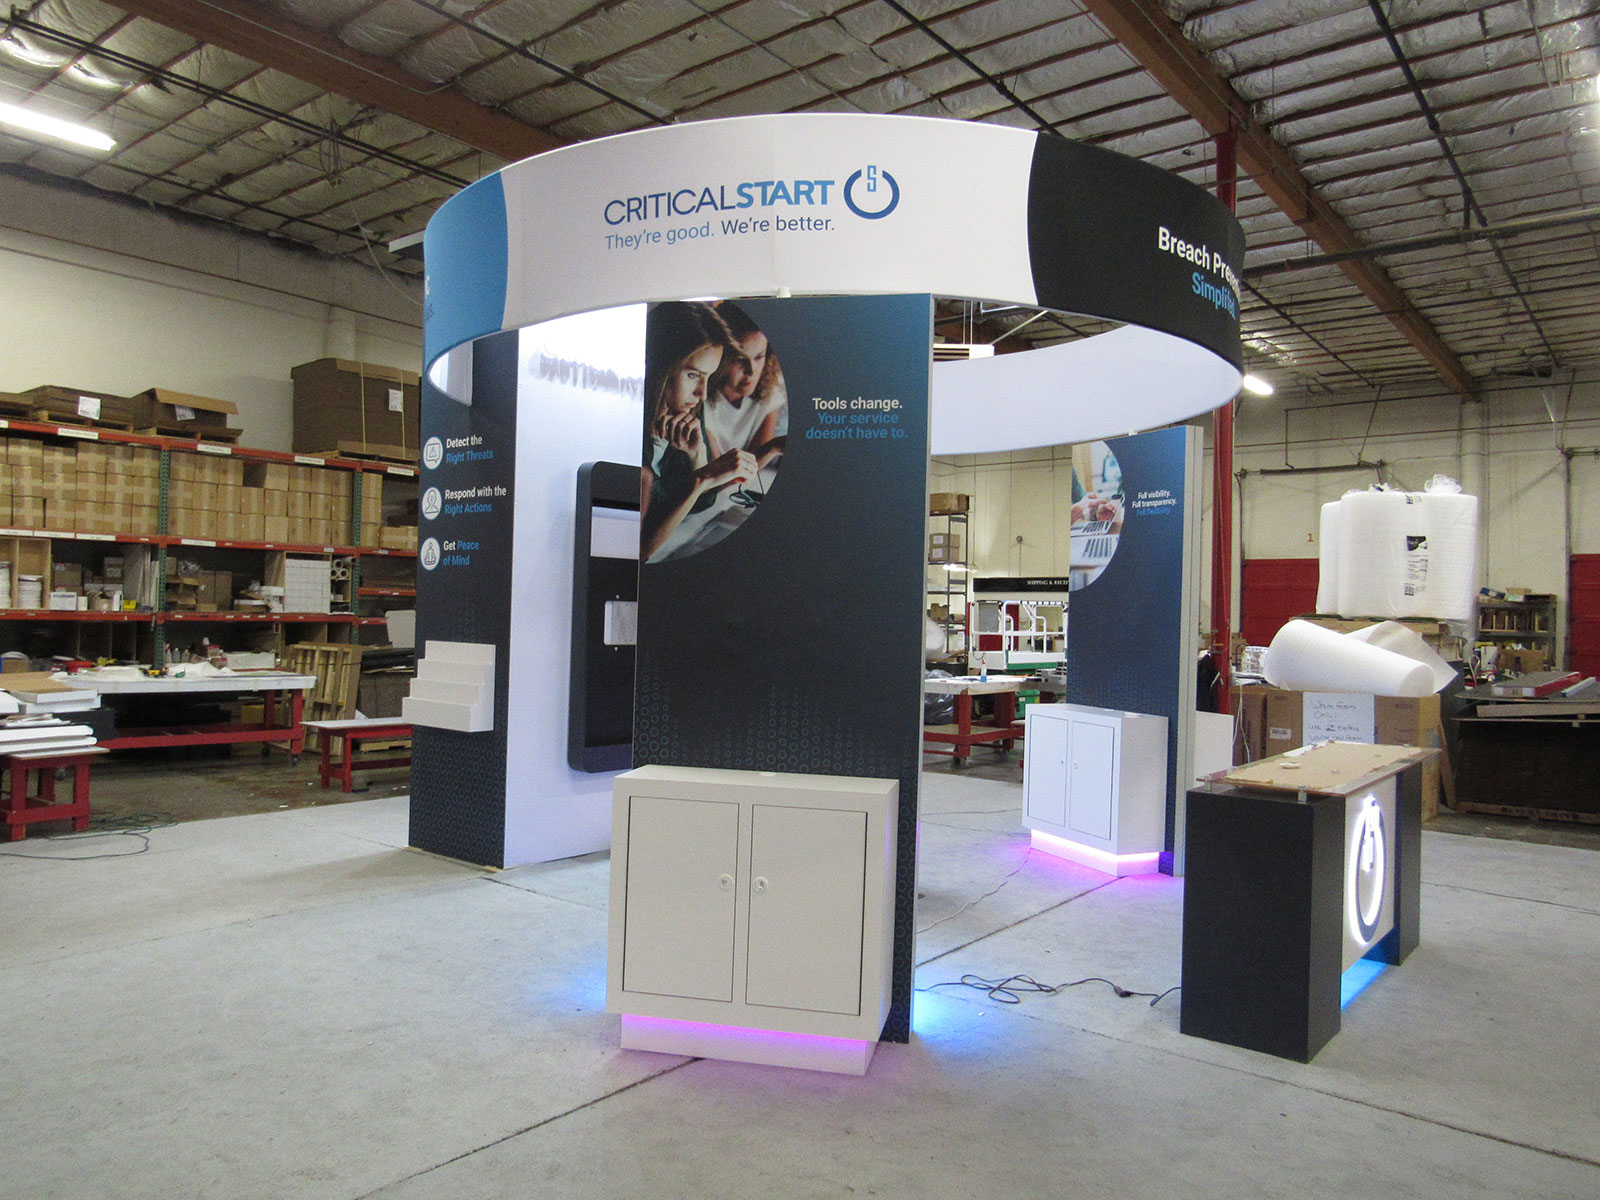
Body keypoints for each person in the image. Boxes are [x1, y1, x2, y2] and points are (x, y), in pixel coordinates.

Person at [639, 302, 757, 562]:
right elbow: (640, 549)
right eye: (693, 375)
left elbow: (701, 503)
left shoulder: (688, 410)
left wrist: (698, 456)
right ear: (660, 366)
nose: (702, 394)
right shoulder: (629, 429)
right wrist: (701, 479)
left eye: (708, 377)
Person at [702, 302, 787, 474]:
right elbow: (717, 477)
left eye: (759, 357)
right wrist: (773, 448)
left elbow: (753, 469)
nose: (752, 371)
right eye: (740, 359)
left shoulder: (771, 390)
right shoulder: (702, 399)